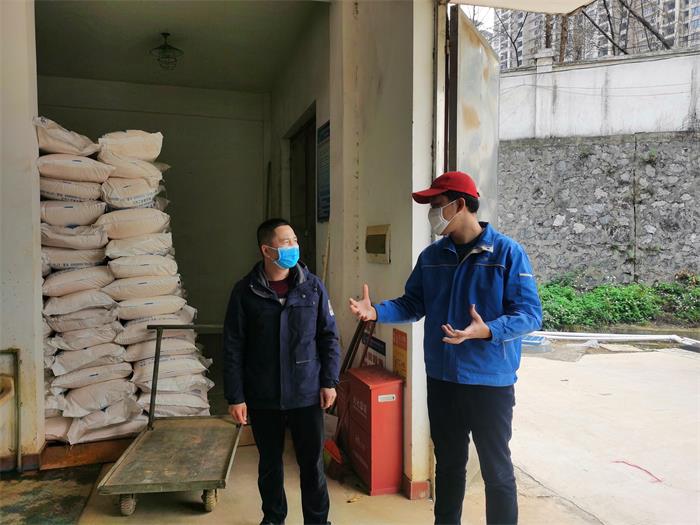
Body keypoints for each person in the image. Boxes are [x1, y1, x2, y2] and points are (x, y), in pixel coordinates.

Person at [348, 171, 542, 525]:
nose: (431, 214)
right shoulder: (432, 257)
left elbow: (530, 314)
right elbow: (412, 303)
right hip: (443, 380)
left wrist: (487, 330)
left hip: (489, 382)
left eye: (436, 205)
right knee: (449, 465)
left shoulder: (507, 253)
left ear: (460, 204)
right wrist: (376, 311)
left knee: (496, 469)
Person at [224, 218, 341, 525]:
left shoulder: (312, 287)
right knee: (270, 465)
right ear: (267, 250)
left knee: (312, 465)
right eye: (286, 242)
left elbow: (328, 337)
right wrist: (236, 396)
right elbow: (233, 346)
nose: (294, 247)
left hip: (306, 392)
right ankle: (274, 518)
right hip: (264, 394)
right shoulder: (245, 292)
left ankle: (318, 521)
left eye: (294, 241)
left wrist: (329, 381)